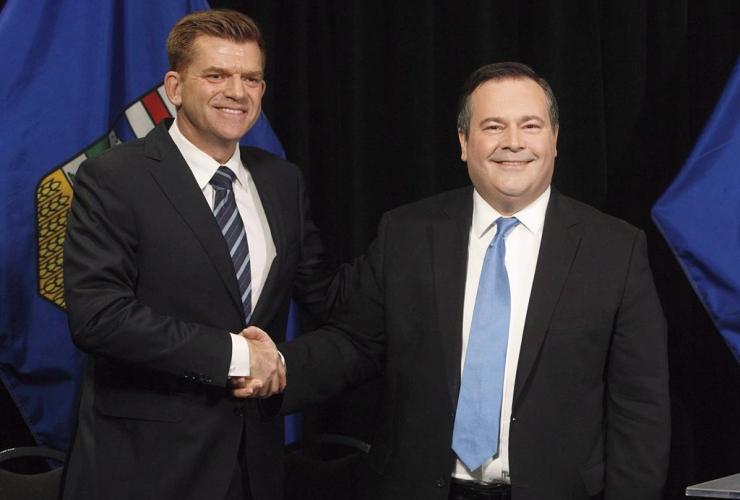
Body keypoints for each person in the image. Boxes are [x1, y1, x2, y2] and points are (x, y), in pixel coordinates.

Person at [271, 62, 671, 500]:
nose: (513, 142)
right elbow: (354, 344)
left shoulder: (614, 249)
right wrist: (268, 369)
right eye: (493, 126)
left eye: (531, 126)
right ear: (464, 142)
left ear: (555, 139)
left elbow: (640, 410)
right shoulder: (407, 233)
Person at [61, 9, 350, 500]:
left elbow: (325, 292)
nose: (237, 91)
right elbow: (99, 317)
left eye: (251, 78)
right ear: (174, 87)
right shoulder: (113, 177)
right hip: (143, 471)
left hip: (253, 468)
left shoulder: (282, 180)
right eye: (216, 75)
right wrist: (240, 355)